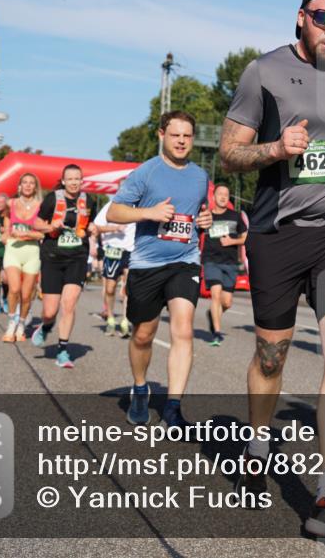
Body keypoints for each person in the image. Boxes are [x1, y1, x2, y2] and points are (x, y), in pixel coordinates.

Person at [219, 0, 325, 538]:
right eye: (322, 17)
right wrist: (275, 148)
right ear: (300, 17)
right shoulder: (263, 71)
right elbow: (229, 153)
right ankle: (257, 445)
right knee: (272, 356)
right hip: (277, 232)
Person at [107, 111, 212, 429]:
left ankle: (173, 408)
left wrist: (205, 221)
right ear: (161, 135)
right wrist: (149, 213)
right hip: (147, 264)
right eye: (175, 135)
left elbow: (198, 214)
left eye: (187, 136)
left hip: (185, 260)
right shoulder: (146, 172)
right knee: (143, 335)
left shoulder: (200, 176)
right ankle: (140, 389)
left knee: (183, 330)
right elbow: (114, 212)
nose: (181, 141)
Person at [30, 165, 92, 368]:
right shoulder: (52, 199)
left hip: (77, 257)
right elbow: (36, 223)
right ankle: (46, 326)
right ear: (64, 181)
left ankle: (62, 350)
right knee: (49, 311)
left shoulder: (88, 200)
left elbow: (90, 224)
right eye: (70, 179)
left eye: (77, 179)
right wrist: (51, 226)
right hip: (53, 257)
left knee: (69, 304)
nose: (74, 182)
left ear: (81, 181)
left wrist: (93, 228)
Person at [201, 183, 247, 346]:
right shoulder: (207, 216)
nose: (223, 197)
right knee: (215, 294)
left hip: (230, 263)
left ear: (229, 198)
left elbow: (246, 237)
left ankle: (212, 314)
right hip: (211, 260)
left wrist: (232, 241)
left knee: (226, 302)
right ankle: (217, 333)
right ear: (214, 197)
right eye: (220, 194)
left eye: (226, 195)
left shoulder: (235, 216)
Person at [2, 173, 43, 343]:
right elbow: (6, 217)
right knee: (14, 288)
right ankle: (11, 323)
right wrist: (6, 233)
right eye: (24, 182)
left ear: (35, 187)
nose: (27, 185)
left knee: (26, 296)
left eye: (31, 183)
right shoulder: (10, 203)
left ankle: (21, 324)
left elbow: (44, 233)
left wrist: (27, 234)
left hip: (32, 251)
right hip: (13, 250)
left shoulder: (41, 206)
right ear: (19, 186)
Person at [94, 199, 136, 337]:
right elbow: (96, 226)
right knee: (110, 289)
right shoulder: (111, 205)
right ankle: (111, 319)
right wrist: (115, 228)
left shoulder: (138, 206)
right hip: (113, 251)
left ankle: (125, 321)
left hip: (131, 251)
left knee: (129, 288)